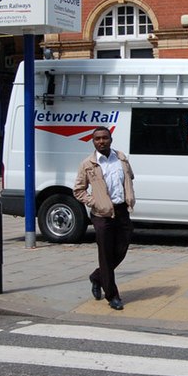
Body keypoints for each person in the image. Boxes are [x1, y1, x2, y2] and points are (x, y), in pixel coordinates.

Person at [73, 126, 135, 311]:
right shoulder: (88, 164)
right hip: (102, 215)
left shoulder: (122, 159)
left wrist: (130, 196)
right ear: (93, 141)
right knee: (106, 254)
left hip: (122, 210)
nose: (101, 141)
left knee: (121, 249)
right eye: (97, 139)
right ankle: (112, 295)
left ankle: (97, 276)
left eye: (104, 138)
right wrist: (94, 202)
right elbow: (78, 190)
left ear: (110, 139)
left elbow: (130, 179)